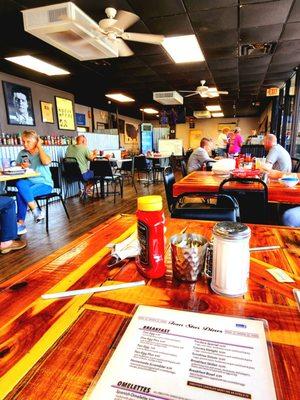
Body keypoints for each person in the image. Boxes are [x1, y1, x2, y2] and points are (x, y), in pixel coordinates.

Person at [15, 130, 53, 235]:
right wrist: (21, 166)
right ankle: (36, 211)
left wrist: (40, 146)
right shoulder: (22, 153)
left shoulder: (43, 151)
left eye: (28, 141)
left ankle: (21, 224)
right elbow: (17, 165)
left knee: (20, 194)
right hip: (29, 182)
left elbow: (46, 162)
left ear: (36, 141)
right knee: (20, 183)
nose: (25, 144)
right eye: (23, 141)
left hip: (45, 184)